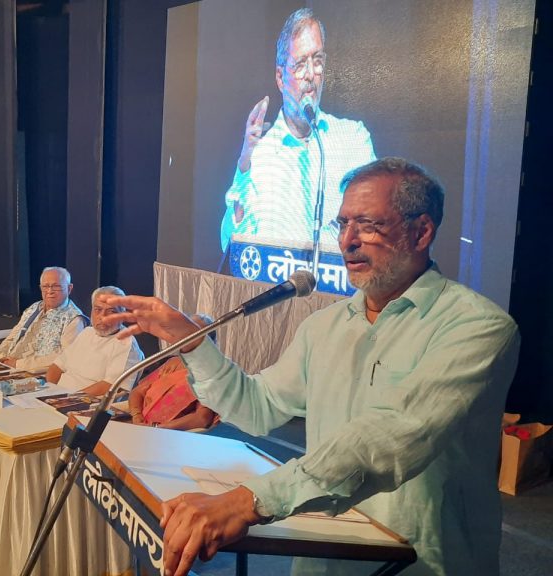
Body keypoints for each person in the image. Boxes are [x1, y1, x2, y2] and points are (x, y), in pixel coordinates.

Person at [109, 158, 520, 576]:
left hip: (421, 563)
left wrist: (247, 501)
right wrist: (193, 341)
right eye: (341, 224)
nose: (347, 241)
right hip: (323, 556)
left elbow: (390, 437)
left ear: (421, 232)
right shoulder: (324, 326)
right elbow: (257, 407)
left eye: (367, 225)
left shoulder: (477, 327)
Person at [220, 8, 376, 252]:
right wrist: (244, 166)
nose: (311, 75)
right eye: (301, 64)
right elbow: (230, 247)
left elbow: (374, 228)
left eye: (317, 61)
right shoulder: (260, 155)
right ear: (281, 78)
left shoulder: (353, 140)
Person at [46, 286, 143, 396]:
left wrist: (68, 399)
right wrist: (50, 391)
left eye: (111, 311)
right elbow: (56, 367)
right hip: (57, 395)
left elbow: (110, 386)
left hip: (83, 403)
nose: (103, 317)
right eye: (98, 310)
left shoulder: (126, 343)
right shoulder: (87, 332)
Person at [0, 267, 87, 372]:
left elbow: (66, 356)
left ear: (69, 288)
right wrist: (1, 356)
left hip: (33, 372)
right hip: (8, 362)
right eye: (45, 286)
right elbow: (14, 335)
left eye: (56, 286)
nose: (50, 291)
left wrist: (18, 364)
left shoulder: (74, 319)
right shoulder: (35, 307)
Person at [128, 314, 217, 431]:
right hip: (139, 426)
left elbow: (202, 418)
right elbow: (137, 392)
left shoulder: (210, 373)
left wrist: (157, 428)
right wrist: (136, 416)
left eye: (193, 334)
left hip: (170, 435)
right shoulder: (173, 363)